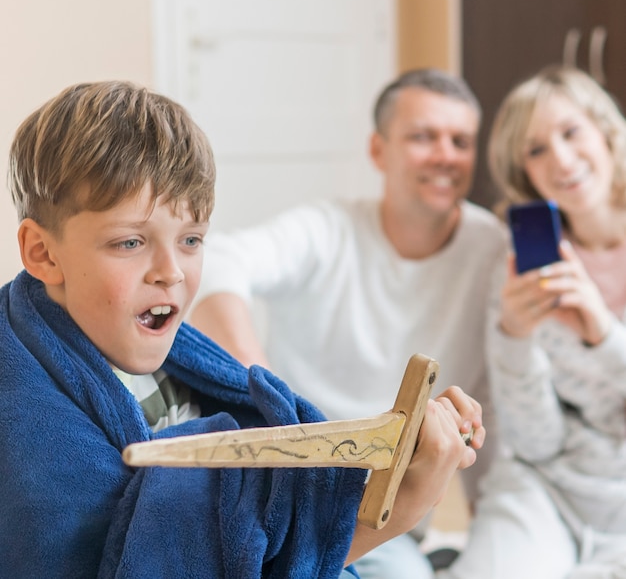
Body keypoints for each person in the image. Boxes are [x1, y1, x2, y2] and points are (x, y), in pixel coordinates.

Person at [0, 80, 484, 579]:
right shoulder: (27, 421)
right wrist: (397, 512)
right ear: (42, 252)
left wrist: (396, 452)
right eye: (130, 243)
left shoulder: (159, 349)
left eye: (191, 239)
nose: (171, 270)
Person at [190, 68, 507, 578]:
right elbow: (218, 262)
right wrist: (267, 395)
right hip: (298, 486)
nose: (446, 155)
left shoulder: (491, 247)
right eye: (424, 137)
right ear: (379, 150)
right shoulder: (327, 231)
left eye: (460, 141)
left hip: (394, 513)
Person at [438, 65, 626, 578]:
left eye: (571, 133)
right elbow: (534, 441)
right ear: (525, 174)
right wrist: (514, 341)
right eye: (536, 150)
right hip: (544, 489)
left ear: (606, 132)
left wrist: (603, 336)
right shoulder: (521, 269)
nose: (561, 160)